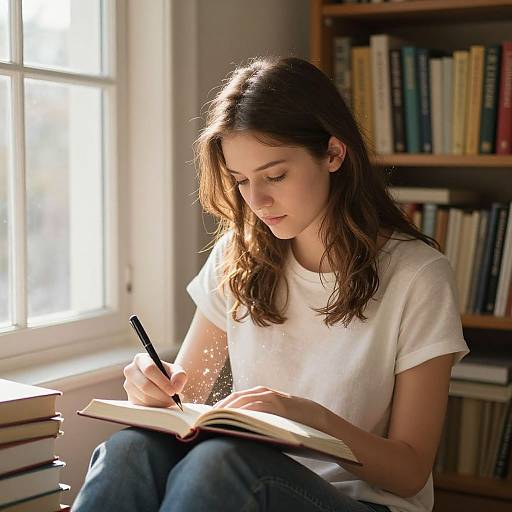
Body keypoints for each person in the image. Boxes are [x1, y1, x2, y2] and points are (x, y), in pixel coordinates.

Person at [73, 56, 469, 512]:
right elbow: (188, 398)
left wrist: (307, 417)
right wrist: (154, 394)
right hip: (244, 479)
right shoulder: (239, 256)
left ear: (334, 154)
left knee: (219, 462)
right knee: (129, 450)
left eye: (275, 176)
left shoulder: (417, 275)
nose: (256, 200)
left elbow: (410, 470)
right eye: (241, 181)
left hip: (361, 503)